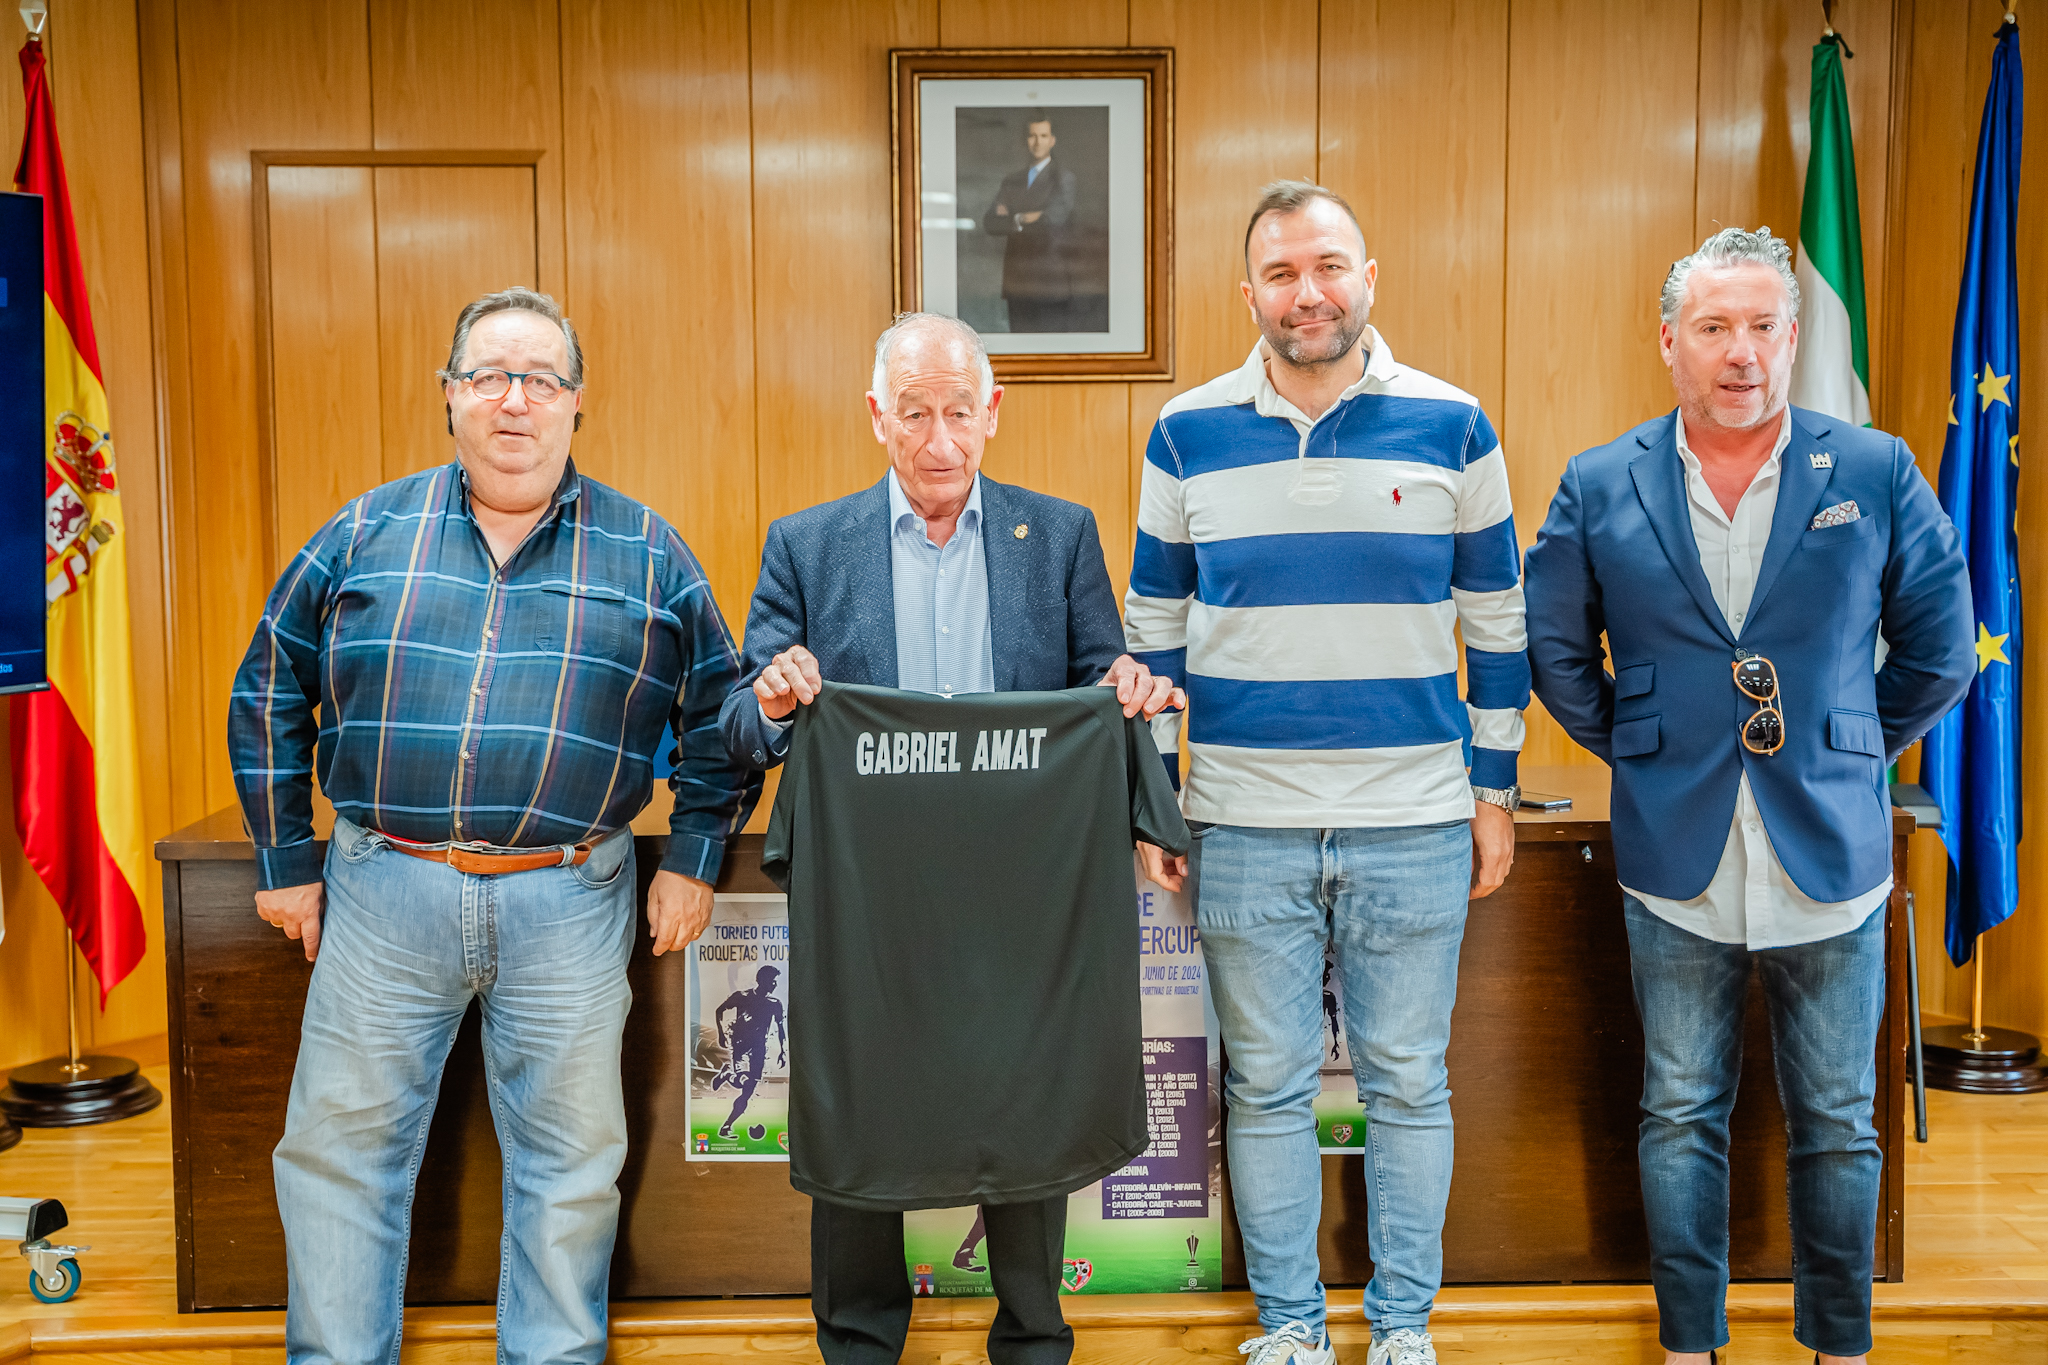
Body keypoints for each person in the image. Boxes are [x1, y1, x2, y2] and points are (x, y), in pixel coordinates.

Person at [228, 286, 760, 1365]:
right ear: (450, 396)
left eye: (541, 380)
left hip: (571, 897)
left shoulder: (649, 551)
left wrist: (698, 855)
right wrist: (284, 857)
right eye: (488, 377)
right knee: (338, 1158)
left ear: (576, 402)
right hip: (382, 893)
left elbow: (720, 716)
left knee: (570, 1168)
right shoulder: (363, 532)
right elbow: (269, 683)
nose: (514, 400)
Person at [1522, 227, 1974, 1365]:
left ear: (1792, 336)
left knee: (1839, 1122)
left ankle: (1838, 1343)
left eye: (1764, 327)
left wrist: (1848, 743)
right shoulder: (1600, 480)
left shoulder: (1871, 469)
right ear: (1668, 341)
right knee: (1678, 1114)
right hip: (1673, 851)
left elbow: (1940, 647)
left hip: (1829, 847)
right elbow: (1554, 649)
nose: (1741, 352)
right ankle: (1690, 1341)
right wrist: (1642, 745)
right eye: (1715, 327)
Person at [719, 311, 1180, 1365]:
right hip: (868, 893)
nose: (939, 440)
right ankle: (857, 1341)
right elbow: (739, 724)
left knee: (1028, 1089)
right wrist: (777, 699)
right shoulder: (806, 544)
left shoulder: (1058, 535)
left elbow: (1102, 689)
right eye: (915, 413)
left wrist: (1135, 713)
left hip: (1021, 890)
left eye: (959, 412)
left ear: (992, 413)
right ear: (877, 416)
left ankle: (1034, 1337)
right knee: (859, 1092)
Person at [1125, 181, 1528, 1365]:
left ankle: (1402, 1329)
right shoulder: (1184, 432)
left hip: (1413, 819)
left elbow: (1496, 624)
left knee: (1406, 1082)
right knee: (1263, 1087)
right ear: (1247, 292)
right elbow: (1152, 634)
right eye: (1282, 273)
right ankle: (1290, 1331)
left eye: (1328, 266)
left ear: (1367, 277)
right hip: (1239, 823)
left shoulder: (1455, 425)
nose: (1308, 293)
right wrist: (1155, 800)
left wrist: (1492, 792)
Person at [981, 113, 1077, 332]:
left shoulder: (1063, 179)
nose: (1037, 142)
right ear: (1025, 140)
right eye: (1032, 136)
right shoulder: (1012, 180)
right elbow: (990, 222)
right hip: (1017, 282)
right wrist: (1022, 217)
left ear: (1052, 140)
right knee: (1019, 343)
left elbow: (1053, 220)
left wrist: (1012, 215)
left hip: (1050, 282)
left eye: (1043, 136)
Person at [713, 965, 787, 1139]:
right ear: (762, 980)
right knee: (744, 1083)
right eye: (772, 981)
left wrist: (783, 1051)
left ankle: (726, 1127)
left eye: (776, 981)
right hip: (741, 1045)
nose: (775, 984)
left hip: (759, 1048)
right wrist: (721, 1034)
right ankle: (728, 1074)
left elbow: (781, 1028)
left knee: (747, 1092)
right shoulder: (742, 996)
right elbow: (719, 1010)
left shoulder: (775, 1004)